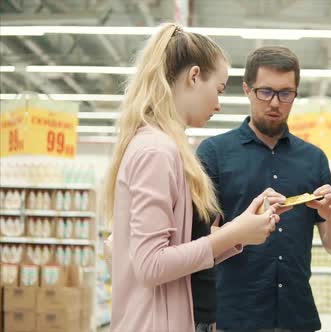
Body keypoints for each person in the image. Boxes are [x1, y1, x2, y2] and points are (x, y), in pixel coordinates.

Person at [104, 24, 282, 332]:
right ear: (194, 76)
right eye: (220, 89)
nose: (218, 104)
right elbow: (151, 265)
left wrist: (240, 231)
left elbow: (171, 251)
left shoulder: (161, 146)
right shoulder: (157, 151)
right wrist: (231, 234)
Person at [196, 46, 331, 332]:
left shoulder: (313, 158)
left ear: (295, 92)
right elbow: (200, 245)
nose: (275, 103)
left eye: (285, 93)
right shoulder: (214, 153)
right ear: (246, 89)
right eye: (265, 92)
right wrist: (243, 229)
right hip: (233, 317)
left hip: (296, 316)